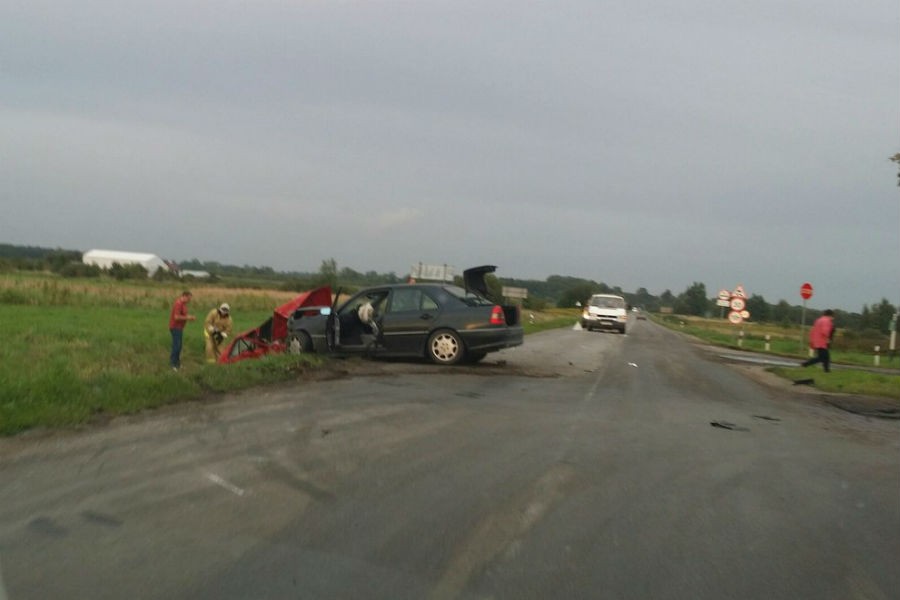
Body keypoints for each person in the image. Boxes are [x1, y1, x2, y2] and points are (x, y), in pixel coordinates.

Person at [169, 291, 196, 370]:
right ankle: (173, 364)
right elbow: (176, 317)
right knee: (177, 346)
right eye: (188, 298)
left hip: (179, 328)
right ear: (184, 296)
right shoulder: (178, 304)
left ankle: (177, 363)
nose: (189, 300)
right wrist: (188, 318)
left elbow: (182, 315)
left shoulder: (183, 305)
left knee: (179, 346)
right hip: (175, 327)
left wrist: (189, 317)